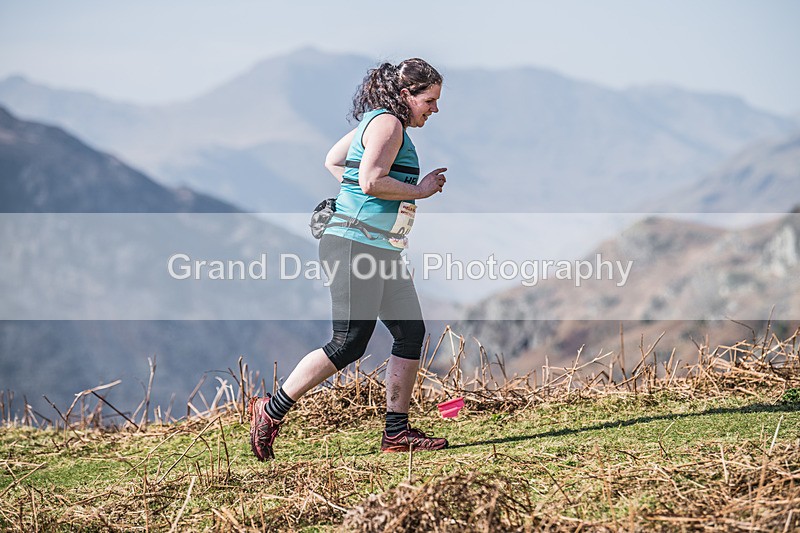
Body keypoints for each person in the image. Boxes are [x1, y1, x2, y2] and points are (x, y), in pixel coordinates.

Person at [248, 58, 448, 461]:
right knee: (348, 343)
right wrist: (420, 191)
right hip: (358, 246)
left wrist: (354, 199)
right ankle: (270, 412)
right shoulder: (389, 125)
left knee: (410, 333)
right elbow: (371, 179)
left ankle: (396, 433)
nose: (435, 109)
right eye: (430, 100)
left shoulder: (375, 123)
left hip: (379, 247)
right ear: (406, 95)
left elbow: (336, 162)